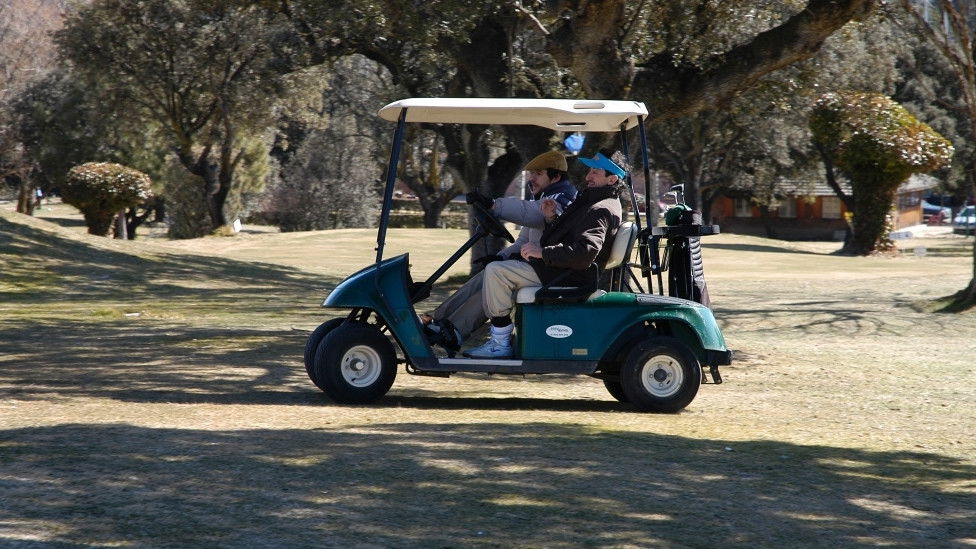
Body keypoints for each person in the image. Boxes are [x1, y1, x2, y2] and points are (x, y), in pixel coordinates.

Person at [464, 150, 626, 359]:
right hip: (561, 270)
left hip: (568, 275)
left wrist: (542, 252)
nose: (588, 177)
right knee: (497, 268)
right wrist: (551, 219)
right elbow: (574, 238)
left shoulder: (600, 209)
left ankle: (500, 343)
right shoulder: (594, 202)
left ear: (612, 179)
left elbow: (585, 253)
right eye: (589, 171)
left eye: (595, 172)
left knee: (496, 271)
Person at [421, 151, 577, 352]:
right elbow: (524, 240)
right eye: (531, 174)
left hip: (554, 269)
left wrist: (494, 205)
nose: (532, 179)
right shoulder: (547, 195)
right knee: (489, 271)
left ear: (555, 177)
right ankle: (437, 320)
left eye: (538, 174)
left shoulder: (561, 197)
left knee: (496, 275)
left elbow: (531, 213)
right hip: (542, 266)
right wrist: (501, 256)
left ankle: (456, 330)